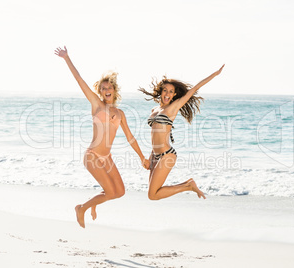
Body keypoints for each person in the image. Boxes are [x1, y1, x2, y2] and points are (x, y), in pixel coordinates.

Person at [55, 46, 150, 228]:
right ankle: (81, 208)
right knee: (109, 191)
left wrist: (142, 157)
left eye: (110, 87)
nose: (107, 90)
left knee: (119, 192)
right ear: (100, 91)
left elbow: (131, 138)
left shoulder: (120, 113)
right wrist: (67, 58)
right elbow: (79, 79)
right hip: (92, 155)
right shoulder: (96, 105)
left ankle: (94, 202)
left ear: (114, 90)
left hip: (107, 158)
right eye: (104, 88)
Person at [139, 64, 225, 200]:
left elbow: (195, 88)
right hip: (155, 156)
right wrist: (150, 158)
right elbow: (155, 136)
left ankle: (188, 186)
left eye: (170, 91)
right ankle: (187, 184)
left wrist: (215, 74)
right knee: (152, 194)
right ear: (161, 92)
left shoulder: (173, 107)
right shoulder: (154, 110)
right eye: (165, 90)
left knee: (153, 195)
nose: (167, 94)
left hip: (166, 155)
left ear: (174, 95)